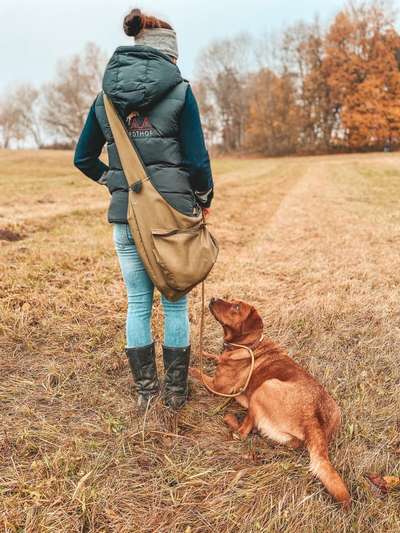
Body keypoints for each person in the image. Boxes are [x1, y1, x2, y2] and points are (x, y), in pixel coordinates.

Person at [74, 8, 214, 411]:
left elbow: (83, 158)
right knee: (175, 301)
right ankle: (175, 393)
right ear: (169, 55)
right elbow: (197, 160)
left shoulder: (105, 97)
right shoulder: (181, 91)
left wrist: (111, 181)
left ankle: (145, 392)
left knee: (138, 301)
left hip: (127, 215)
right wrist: (203, 200)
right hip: (171, 215)